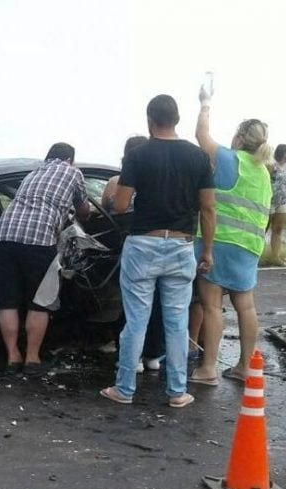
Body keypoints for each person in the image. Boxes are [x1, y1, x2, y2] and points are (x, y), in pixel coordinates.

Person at [100, 94, 216, 408]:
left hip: (143, 244)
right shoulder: (198, 157)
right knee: (177, 323)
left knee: (136, 320)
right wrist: (206, 251)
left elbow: (121, 204)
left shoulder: (138, 155)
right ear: (177, 119)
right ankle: (177, 392)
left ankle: (124, 389)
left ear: (150, 119)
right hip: (181, 245)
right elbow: (207, 208)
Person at [188, 83, 272, 385]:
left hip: (219, 243)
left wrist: (206, 102)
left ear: (239, 138)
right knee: (246, 306)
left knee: (211, 306)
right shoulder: (263, 171)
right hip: (249, 247)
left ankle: (208, 368)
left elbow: (201, 136)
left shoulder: (229, 159)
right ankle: (245, 367)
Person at [0, 143, 89, 376]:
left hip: (4, 237)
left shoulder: (33, 172)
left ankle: (12, 357)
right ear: (69, 159)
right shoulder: (73, 172)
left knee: (8, 301)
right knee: (40, 302)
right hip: (38, 239)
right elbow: (83, 209)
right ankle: (32, 360)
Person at [100, 135, 164, 373]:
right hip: (158, 246)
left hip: (122, 251)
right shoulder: (156, 182)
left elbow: (104, 213)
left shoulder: (116, 181)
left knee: (131, 306)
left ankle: (129, 357)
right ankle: (153, 354)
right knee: (157, 302)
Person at [267, 144, 286, 264]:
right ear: (283, 153)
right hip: (269, 200)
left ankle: (275, 257)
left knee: (278, 229)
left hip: (283, 200)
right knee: (264, 228)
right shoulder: (271, 165)